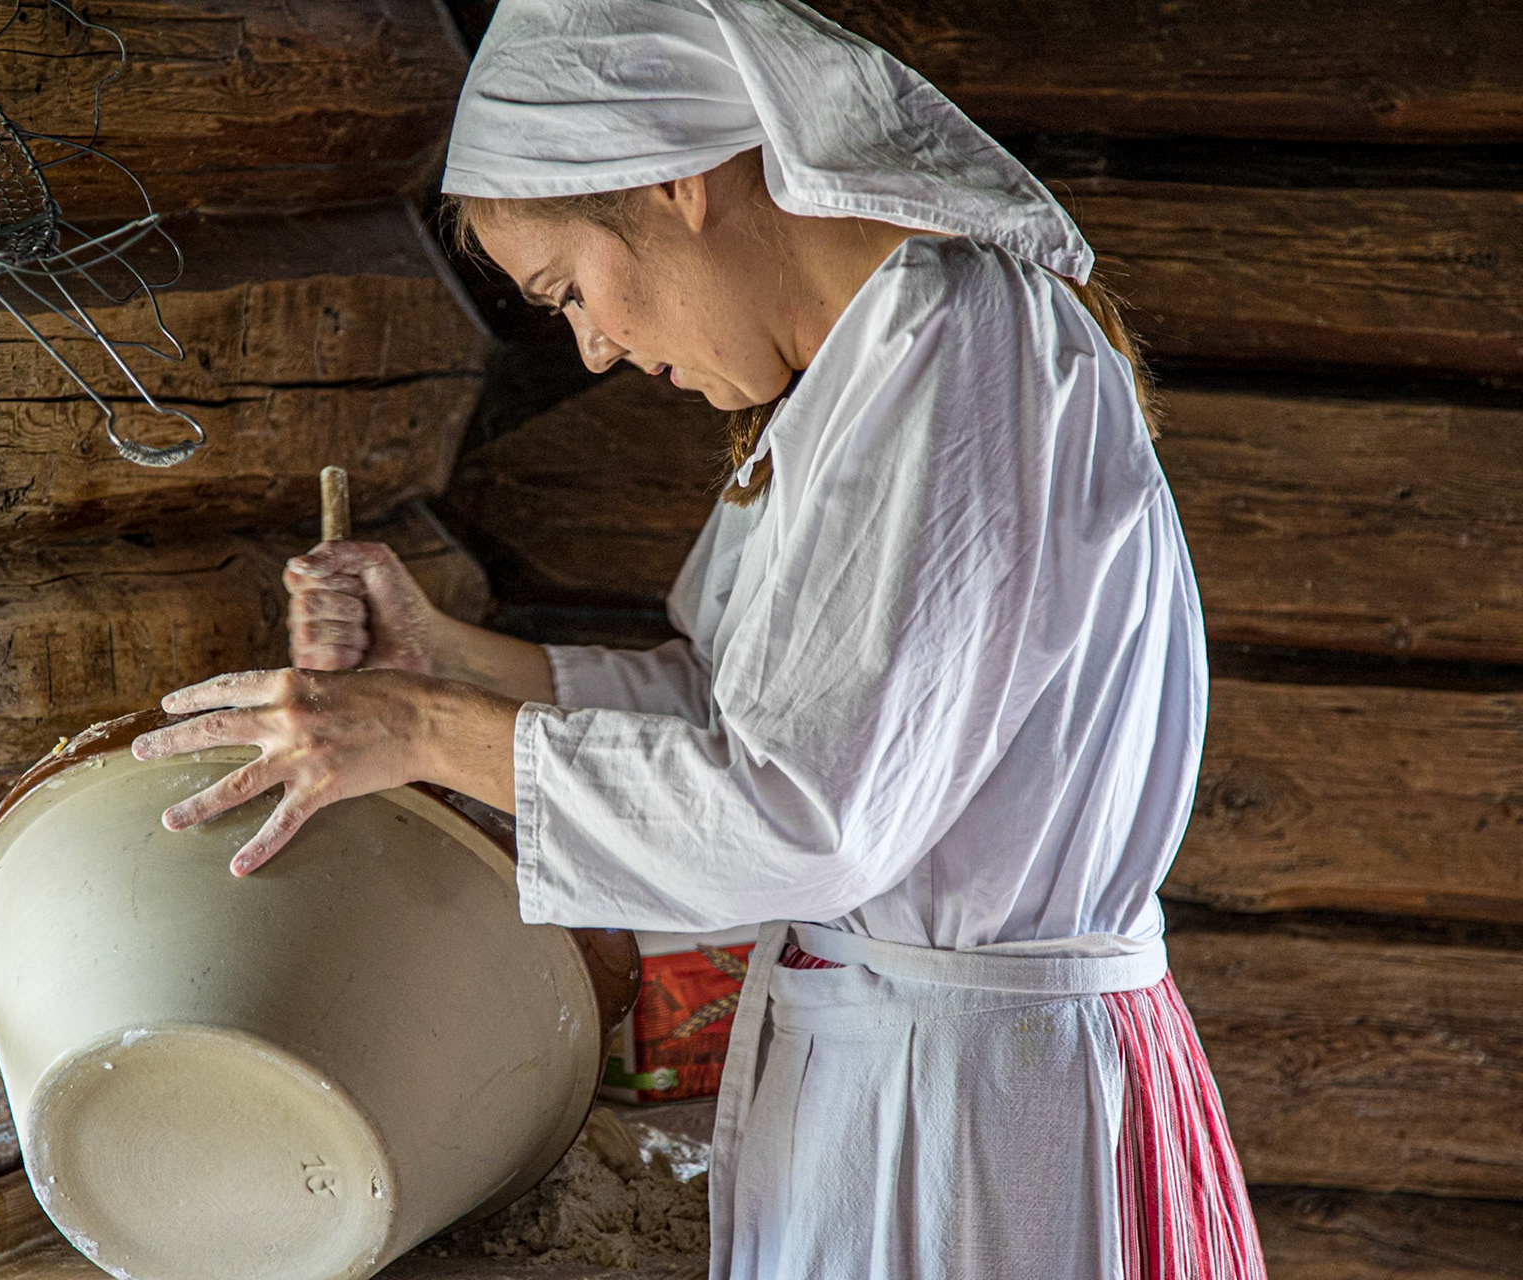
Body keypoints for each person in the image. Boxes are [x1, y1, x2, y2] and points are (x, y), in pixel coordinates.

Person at [130, 1, 1266, 1276]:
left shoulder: (960, 341)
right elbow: (723, 706)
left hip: (974, 1126)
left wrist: (419, 731)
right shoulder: (854, 378)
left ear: (676, 180)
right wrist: (444, 660)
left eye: (570, 288)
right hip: (899, 1078)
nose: (597, 346)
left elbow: (805, 811)